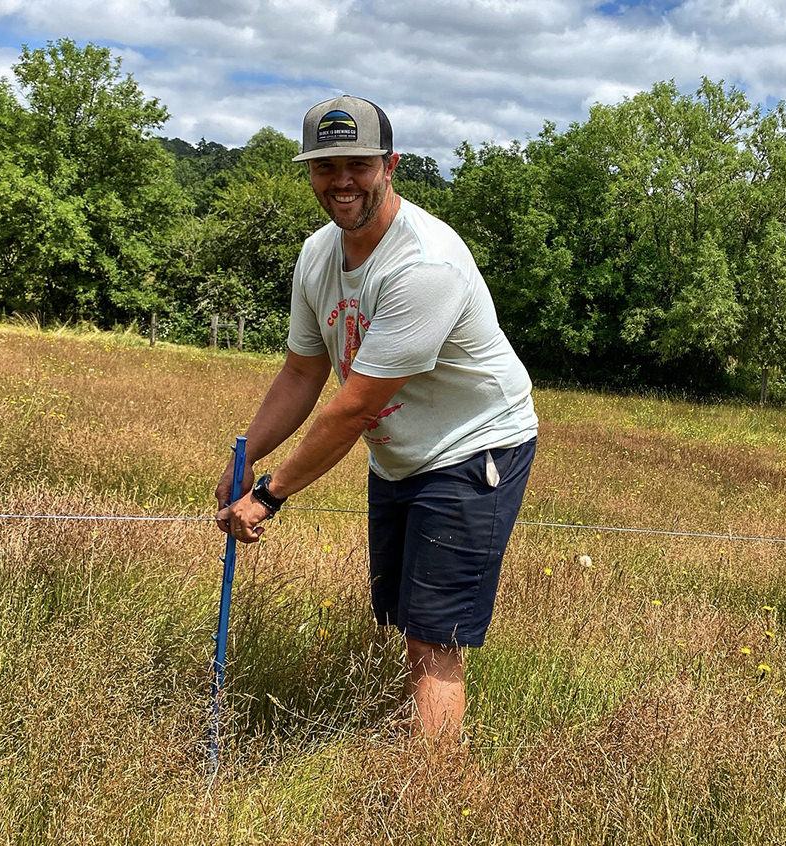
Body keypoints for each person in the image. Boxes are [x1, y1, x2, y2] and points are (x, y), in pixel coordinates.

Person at [215, 95, 538, 742]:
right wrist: (244, 456)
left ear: (390, 165)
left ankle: (431, 806)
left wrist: (268, 495)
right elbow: (303, 373)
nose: (341, 182)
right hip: (402, 453)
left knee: (433, 635)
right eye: (324, 166)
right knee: (401, 618)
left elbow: (355, 405)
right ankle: (420, 745)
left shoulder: (424, 265)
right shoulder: (317, 256)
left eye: (357, 164)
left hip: (475, 448)